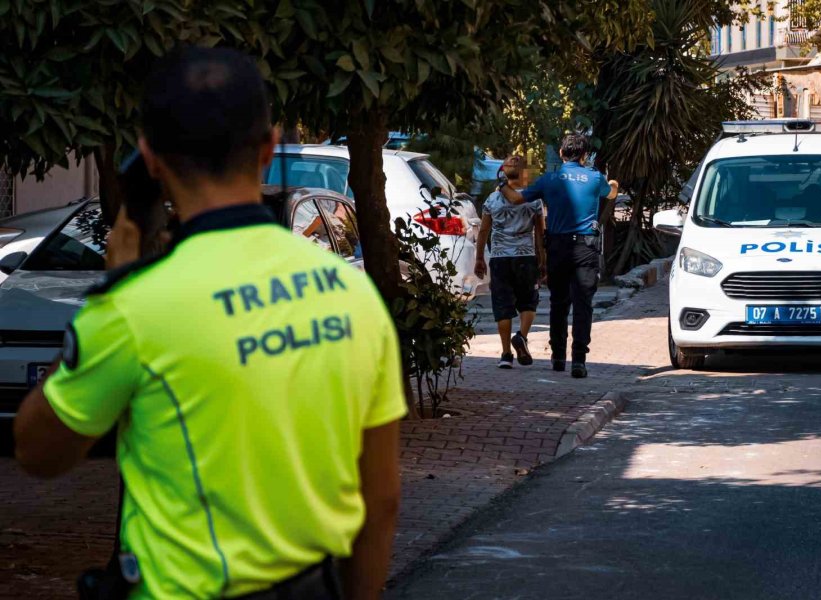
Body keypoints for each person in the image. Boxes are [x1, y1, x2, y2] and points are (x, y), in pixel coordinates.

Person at [14, 47, 406, 600]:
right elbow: (381, 501)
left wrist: (111, 290)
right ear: (268, 148)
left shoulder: (134, 307)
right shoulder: (352, 293)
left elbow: (38, 451)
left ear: (150, 160)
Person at [498, 134, 618, 378]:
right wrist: (614, 183)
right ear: (584, 156)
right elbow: (611, 194)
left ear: (562, 154)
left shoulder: (549, 179)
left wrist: (501, 183)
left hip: (557, 247)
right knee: (583, 304)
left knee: (559, 302)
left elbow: (516, 198)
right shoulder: (595, 177)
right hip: (585, 247)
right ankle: (579, 361)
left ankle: (558, 357)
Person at [474, 155, 545, 368]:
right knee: (528, 301)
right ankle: (521, 336)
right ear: (524, 174)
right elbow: (540, 233)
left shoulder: (492, 199)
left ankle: (506, 354)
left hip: (499, 259)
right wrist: (543, 259)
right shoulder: (534, 200)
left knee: (502, 305)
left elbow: (483, 231)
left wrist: (479, 258)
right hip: (525, 257)